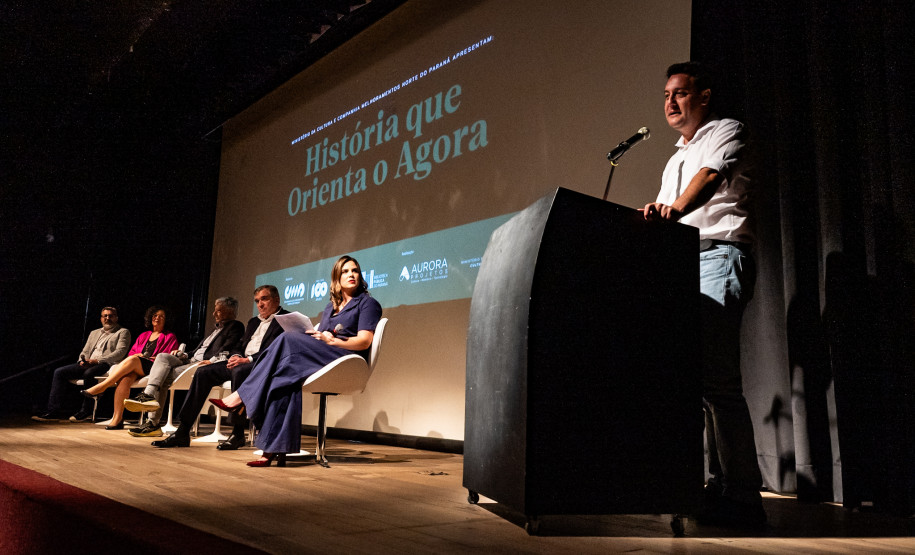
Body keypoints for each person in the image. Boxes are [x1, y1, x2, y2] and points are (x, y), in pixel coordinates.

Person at [641, 61, 764, 528]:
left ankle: (744, 498)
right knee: (690, 385)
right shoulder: (674, 158)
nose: (670, 103)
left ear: (704, 96)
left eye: (680, 93)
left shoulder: (725, 130)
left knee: (716, 382)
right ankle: (716, 487)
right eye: (666, 96)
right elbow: (665, 212)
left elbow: (710, 180)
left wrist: (670, 210)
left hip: (718, 257)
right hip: (680, 266)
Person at [210, 255, 381, 467]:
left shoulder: (367, 303)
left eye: (354, 270)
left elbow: (365, 341)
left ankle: (241, 396)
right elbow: (323, 335)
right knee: (282, 378)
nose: (351, 275)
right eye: (345, 272)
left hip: (344, 358)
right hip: (322, 353)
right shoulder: (331, 307)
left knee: (285, 339)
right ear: (336, 278)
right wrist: (314, 334)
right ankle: (274, 448)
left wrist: (333, 340)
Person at [150, 285, 288, 448]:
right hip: (241, 362)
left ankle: (237, 434)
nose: (260, 304)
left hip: (263, 365)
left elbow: (276, 349)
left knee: (239, 371)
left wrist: (249, 359)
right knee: (203, 372)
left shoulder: (285, 319)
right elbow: (240, 345)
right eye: (257, 301)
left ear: (277, 300)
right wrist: (236, 355)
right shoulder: (253, 322)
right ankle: (183, 430)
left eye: (264, 299)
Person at [122, 297, 245, 437]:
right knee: (163, 356)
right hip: (190, 360)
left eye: (218, 311)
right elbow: (198, 351)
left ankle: (152, 423)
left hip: (202, 364)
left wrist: (212, 361)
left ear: (230, 311)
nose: (214, 314)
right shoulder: (215, 329)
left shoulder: (235, 326)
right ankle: (149, 395)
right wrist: (183, 354)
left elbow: (228, 348)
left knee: (163, 376)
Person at [80, 305, 179, 429]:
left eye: (161, 316)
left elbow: (166, 358)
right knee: (124, 379)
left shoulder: (169, 336)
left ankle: (103, 386)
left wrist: (144, 358)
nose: (157, 318)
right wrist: (138, 356)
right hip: (137, 366)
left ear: (166, 319)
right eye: (155, 315)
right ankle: (117, 419)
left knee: (133, 360)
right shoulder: (144, 335)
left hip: (153, 367)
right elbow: (132, 353)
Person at [32, 307, 132, 422]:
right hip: (89, 362)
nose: (107, 318)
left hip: (106, 363)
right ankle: (53, 411)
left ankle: (86, 411)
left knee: (89, 373)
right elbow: (85, 351)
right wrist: (82, 361)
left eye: (111, 316)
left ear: (116, 318)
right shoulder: (94, 333)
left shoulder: (123, 332)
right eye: (105, 316)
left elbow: (120, 353)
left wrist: (97, 361)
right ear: (101, 318)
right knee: (59, 372)